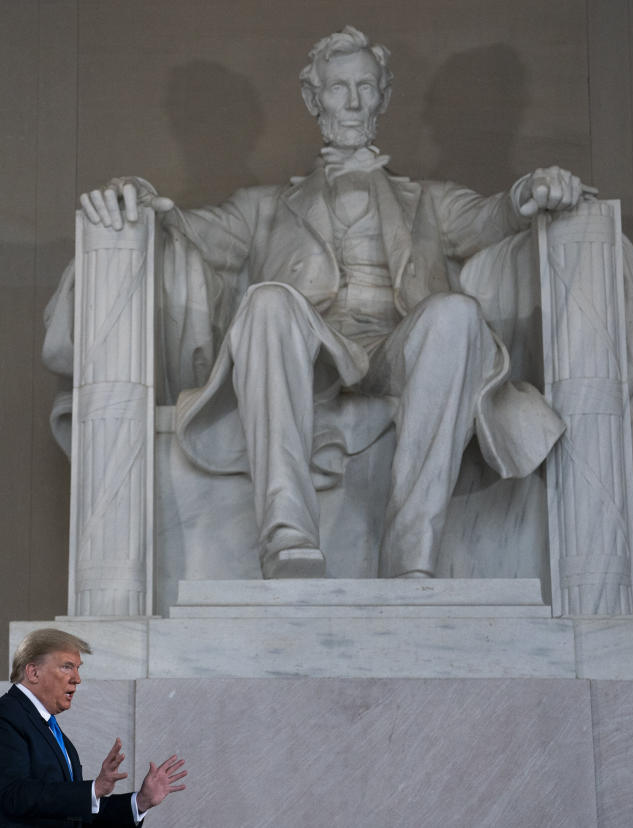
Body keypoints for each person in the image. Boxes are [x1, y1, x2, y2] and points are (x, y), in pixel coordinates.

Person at [77, 26, 588, 580]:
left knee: (456, 313)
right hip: (313, 351)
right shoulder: (265, 207)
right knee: (269, 301)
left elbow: (493, 217)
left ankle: (411, 550)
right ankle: (288, 537)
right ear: (312, 97)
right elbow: (185, 227)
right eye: (338, 87)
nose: (351, 101)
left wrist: (531, 189)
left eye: (365, 87)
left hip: (399, 349)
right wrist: (137, 195)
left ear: (383, 97)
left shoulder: (429, 201)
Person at [0, 629, 186, 827]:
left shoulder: (55, 736)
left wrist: (140, 801)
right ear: (33, 672)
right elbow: (16, 796)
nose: (77, 679)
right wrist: (92, 790)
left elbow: (74, 814)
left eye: (78, 668)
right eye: (67, 667)